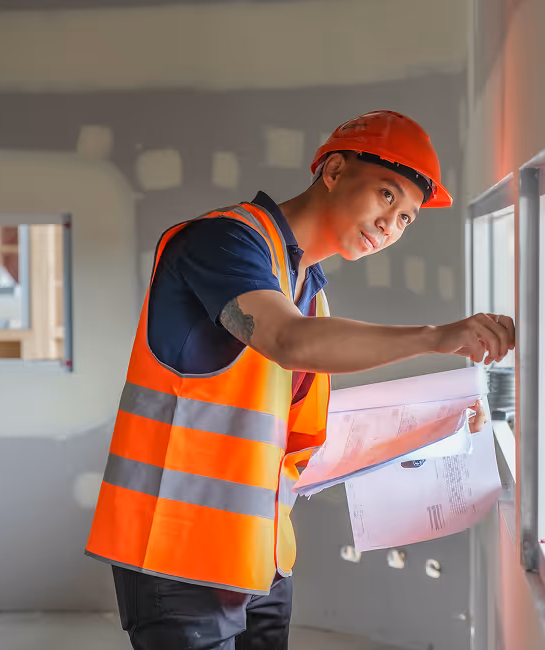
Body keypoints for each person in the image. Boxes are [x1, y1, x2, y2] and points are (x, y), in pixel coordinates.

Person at [85, 110, 515, 650]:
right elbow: (287, 340)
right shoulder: (223, 242)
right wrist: (435, 336)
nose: (392, 226)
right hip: (178, 550)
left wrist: (439, 420)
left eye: (406, 218)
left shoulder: (307, 287)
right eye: (387, 195)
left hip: (259, 550)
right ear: (334, 169)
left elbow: (298, 437)